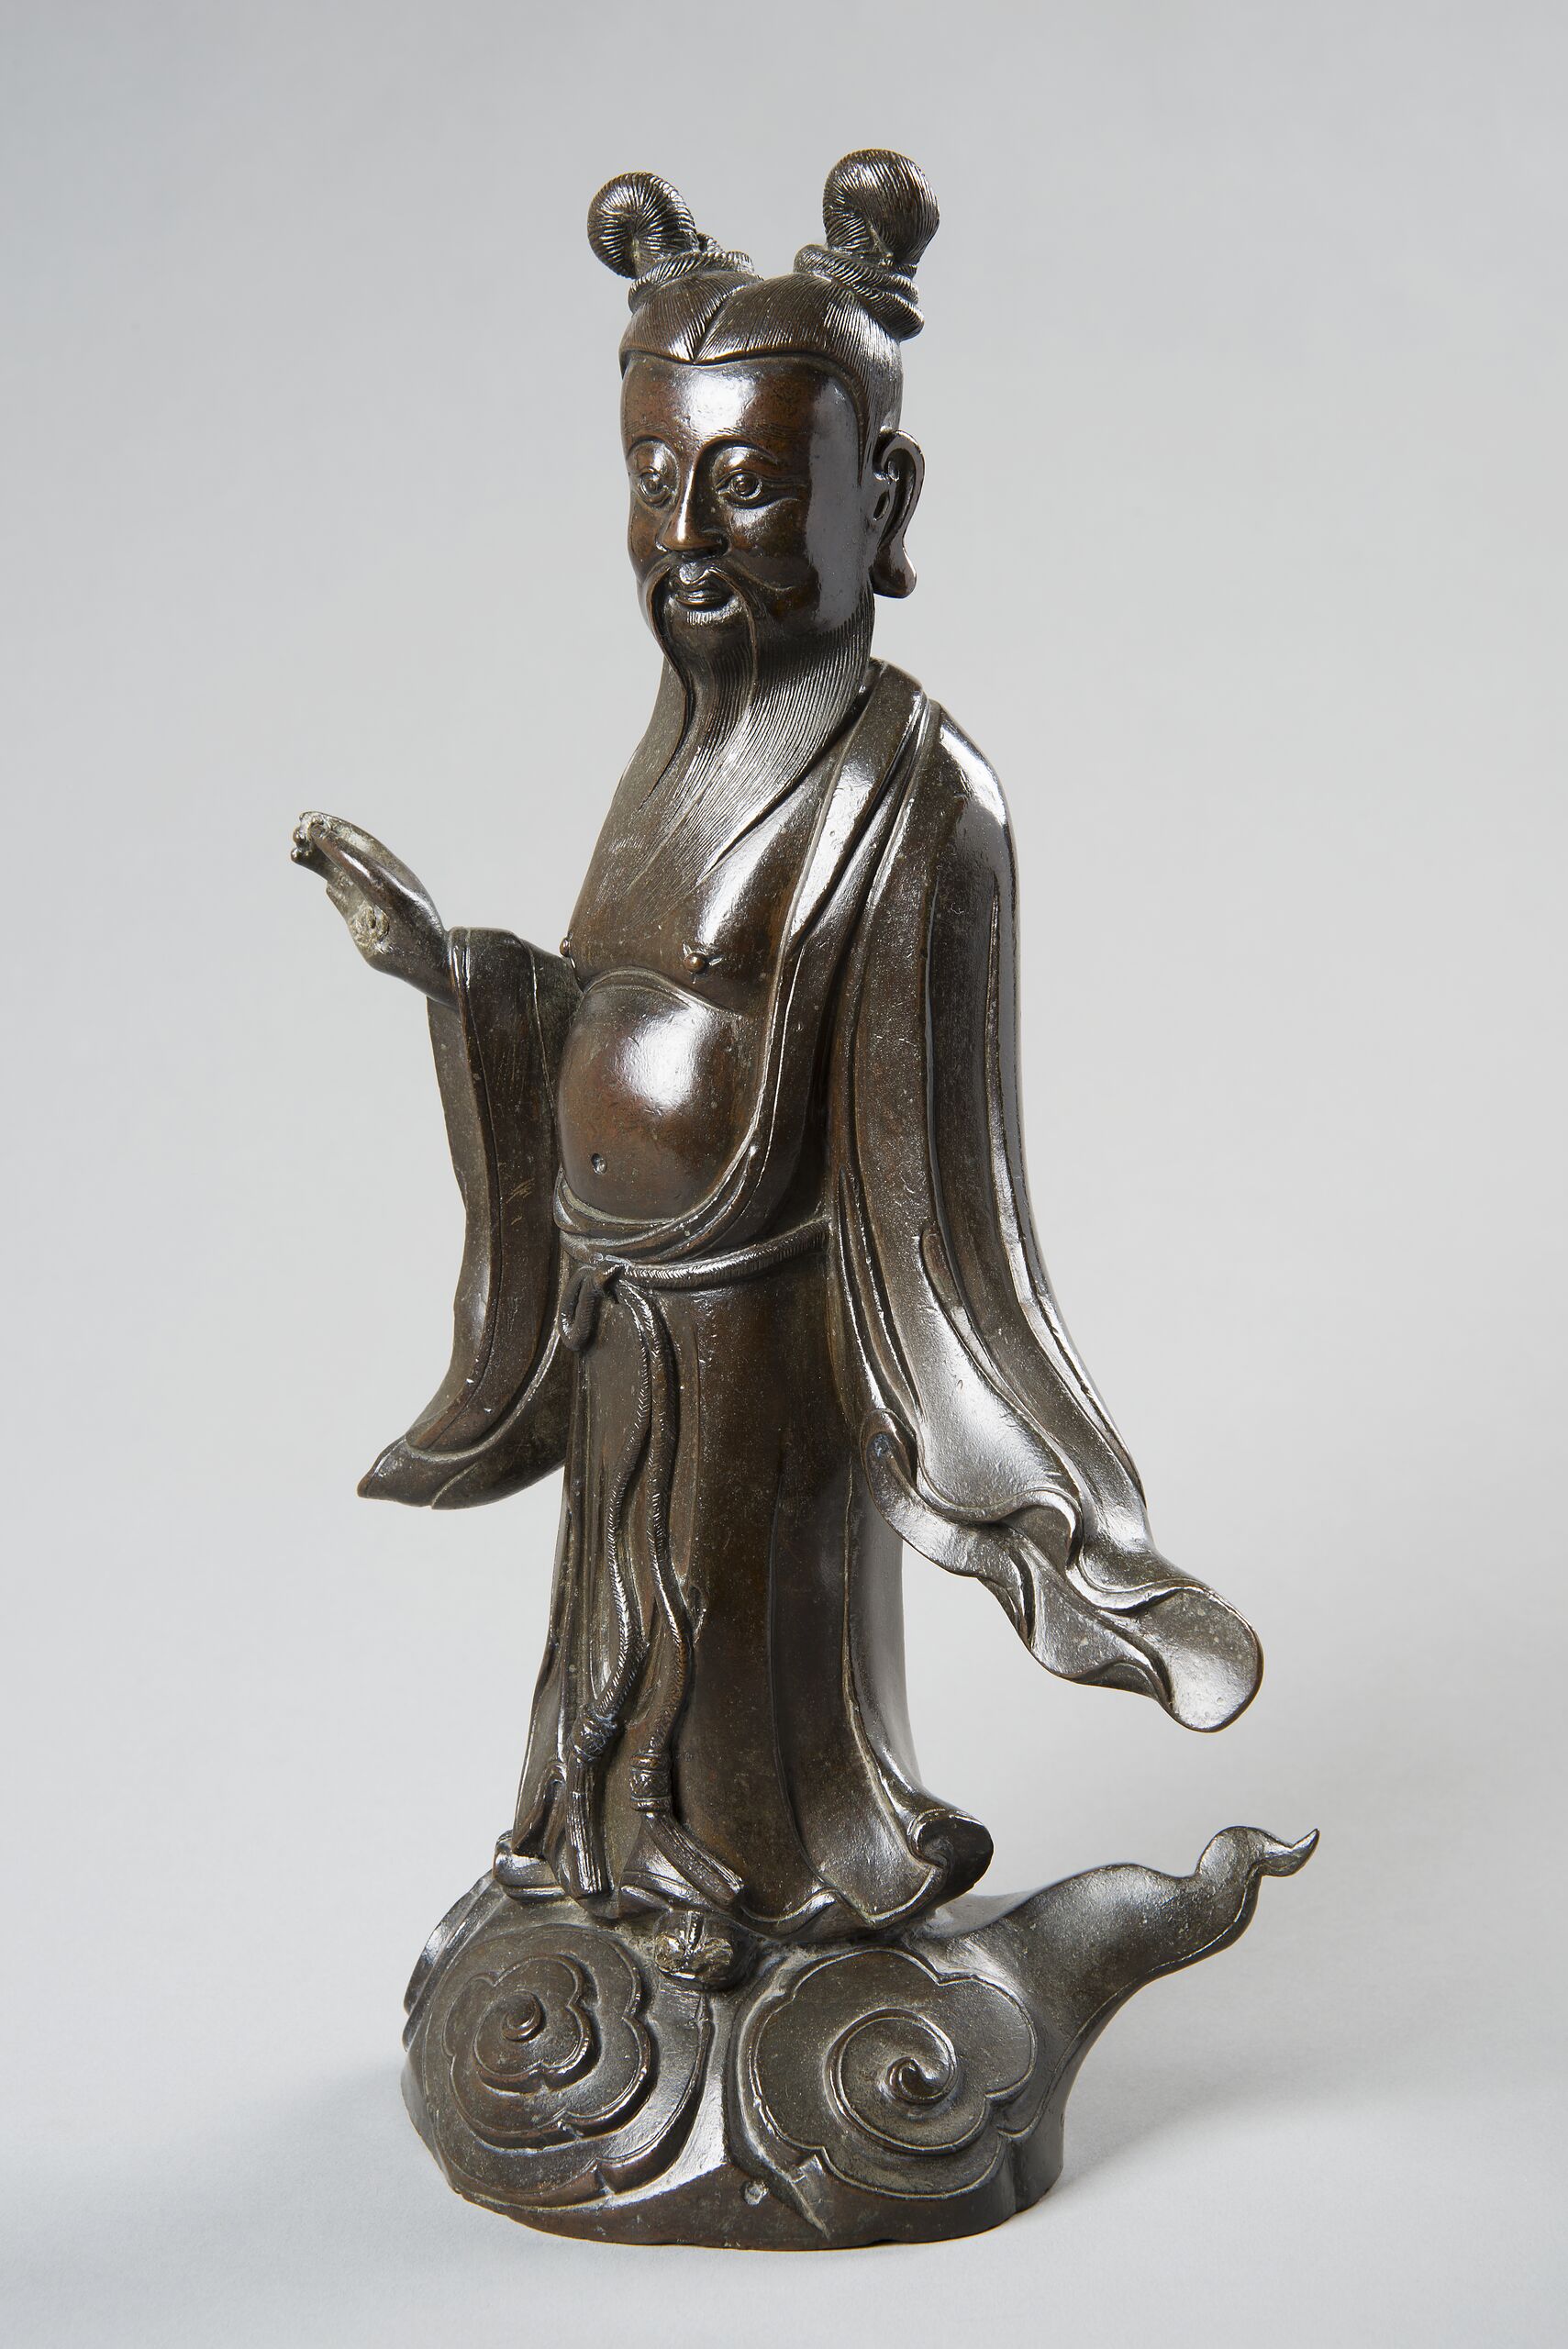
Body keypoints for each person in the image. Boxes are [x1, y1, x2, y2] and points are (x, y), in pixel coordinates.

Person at [294, 151, 1261, 1987]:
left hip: (774, 1333)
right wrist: (456, 975)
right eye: (654, 481)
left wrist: (970, 1431)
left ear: (879, 498)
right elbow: (610, 1002)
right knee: (613, 1635)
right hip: (624, 1321)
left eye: (747, 486)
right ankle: (604, 1867)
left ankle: (779, 1883)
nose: (689, 534)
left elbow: (936, 1174)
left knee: (739, 1632)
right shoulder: (675, 749)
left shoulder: (916, 794)